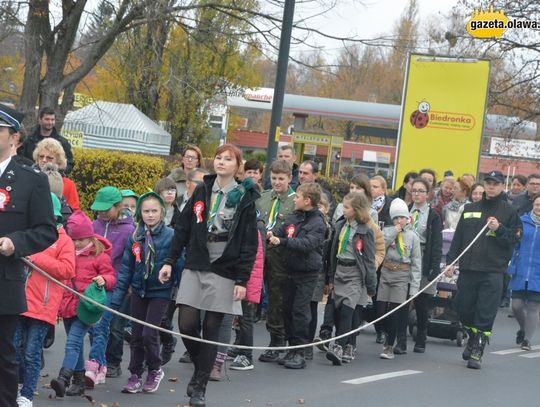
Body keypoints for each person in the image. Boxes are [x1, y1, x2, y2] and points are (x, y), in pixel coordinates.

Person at [159, 143, 259, 407]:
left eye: (228, 159)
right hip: (198, 259)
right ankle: (201, 364)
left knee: (212, 327)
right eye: (218, 157)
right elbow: (183, 227)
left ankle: (200, 384)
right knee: (188, 324)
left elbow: (250, 243)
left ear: (238, 166)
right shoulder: (203, 189)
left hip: (225, 265)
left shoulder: (245, 197)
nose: (221, 162)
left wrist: (242, 280)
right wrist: (170, 260)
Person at [0, 104, 58, 407]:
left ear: (15, 137)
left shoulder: (30, 177)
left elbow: (46, 230)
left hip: (3, 279)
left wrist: (14, 242)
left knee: (3, 356)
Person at [446, 170, 522, 369]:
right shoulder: (470, 208)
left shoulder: (509, 211)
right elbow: (458, 237)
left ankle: (478, 348)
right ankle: (472, 338)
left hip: (493, 270)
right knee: (464, 308)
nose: (491, 186)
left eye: (495, 184)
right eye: (488, 183)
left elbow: (515, 238)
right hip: (469, 268)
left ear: (501, 186)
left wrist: (500, 230)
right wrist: (450, 262)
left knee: (485, 311)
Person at [111, 192, 183, 394]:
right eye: (146, 211)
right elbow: (126, 269)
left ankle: (154, 369)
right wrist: (116, 301)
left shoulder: (171, 235)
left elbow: (179, 264)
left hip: (160, 291)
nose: (150, 215)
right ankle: (135, 374)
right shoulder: (135, 236)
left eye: (154, 211)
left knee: (149, 334)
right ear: (140, 213)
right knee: (135, 336)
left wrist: (179, 292)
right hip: (139, 290)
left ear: (162, 211)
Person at [14, 193, 76, 407]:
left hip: (43, 306)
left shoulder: (64, 240)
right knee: (12, 349)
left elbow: (68, 270)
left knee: (32, 353)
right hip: (19, 302)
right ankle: (20, 383)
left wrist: (37, 258)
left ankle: (27, 395)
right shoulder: (27, 234)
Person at [50, 211, 116, 397]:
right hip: (68, 304)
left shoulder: (99, 256)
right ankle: (79, 382)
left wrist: (104, 278)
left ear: (90, 236)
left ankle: (64, 378)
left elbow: (112, 277)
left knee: (72, 343)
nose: (77, 243)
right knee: (76, 343)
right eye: (74, 239)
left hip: (86, 307)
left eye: (82, 239)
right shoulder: (67, 254)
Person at [267, 182, 327, 369]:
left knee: (300, 312)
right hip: (289, 270)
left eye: (298, 197)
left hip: (307, 273)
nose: (295, 199)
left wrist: (283, 241)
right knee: (286, 309)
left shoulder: (318, 223)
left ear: (307, 201)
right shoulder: (294, 216)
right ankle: (291, 348)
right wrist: (271, 233)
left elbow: (306, 244)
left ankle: (300, 351)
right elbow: (281, 229)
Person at [87, 186, 134, 384]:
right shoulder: (93, 226)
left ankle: (105, 362)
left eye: (107, 209)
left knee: (111, 326)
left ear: (118, 207)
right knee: (93, 325)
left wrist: (129, 284)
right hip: (93, 283)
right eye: (99, 209)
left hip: (117, 284)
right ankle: (101, 362)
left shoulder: (129, 230)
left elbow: (130, 260)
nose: (102, 213)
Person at [325, 192, 376, 366]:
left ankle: (339, 346)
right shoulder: (340, 225)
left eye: (346, 207)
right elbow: (332, 252)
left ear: (356, 210)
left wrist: (371, 285)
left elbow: (369, 260)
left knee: (348, 310)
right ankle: (347, 343)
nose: (343, 210)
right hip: (340, 270)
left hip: (355, 273)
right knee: (338, 311)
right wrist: (330, 276)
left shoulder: (365, 231)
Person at [395, 178, 442, 354]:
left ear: (428, 194)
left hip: (423, 259)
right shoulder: (405, 211)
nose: (417, 194)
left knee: (422, 303)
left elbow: (436, 243)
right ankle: (401, 339)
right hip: (404, 258)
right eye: (414, 190)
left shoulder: (433, 215)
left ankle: (422, 333)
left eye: (421, 191)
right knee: (403, 301)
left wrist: (434, 267)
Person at [257, 160, 297, 363]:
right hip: (260, 251)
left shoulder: (295, 201)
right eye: (273, 178)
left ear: (290, 178)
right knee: (253, 294)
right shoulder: (263, 198)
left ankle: (277, 340)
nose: (277, 182)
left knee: (276, 298)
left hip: (281, 255)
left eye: (281, 178)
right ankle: (241, 339)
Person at [378, 198, 421, 360]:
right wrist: (394, 231)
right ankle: (383, 331)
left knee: (394, 312)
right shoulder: (387, 232)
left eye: (402, 217)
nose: (399, 220)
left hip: (402, 275)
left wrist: (414, 289)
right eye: (396, 218)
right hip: (386, 273)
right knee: (381, 310)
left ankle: (389, 346)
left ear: (407, 218)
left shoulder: (413, 237)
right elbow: (381, 244)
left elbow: (417, 264)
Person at [507, 193, 540, 351]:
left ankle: (526, 340)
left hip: (538, 274)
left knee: (533, 307)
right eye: (537, 204)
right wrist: (512, 267)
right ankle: (523, 328)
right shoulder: (522, 222)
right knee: (517, 306)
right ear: (533, 205)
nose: (539, 207)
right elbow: (515, 246)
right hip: (521, 269)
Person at [22, 107, 74, 174]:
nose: (50, 122)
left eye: (52, 120)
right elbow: (22, 159)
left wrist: (57, 171)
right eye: (47, 119)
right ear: (40, 120)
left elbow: (69, 164)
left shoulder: (63, 143)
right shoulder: (29, 141)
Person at [32, 137, 80, 210]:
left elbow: (74, 212)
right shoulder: (29, 177)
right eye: (41, 156)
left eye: (49, 158)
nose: (44, 160)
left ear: (58, 161)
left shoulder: (68, 184)